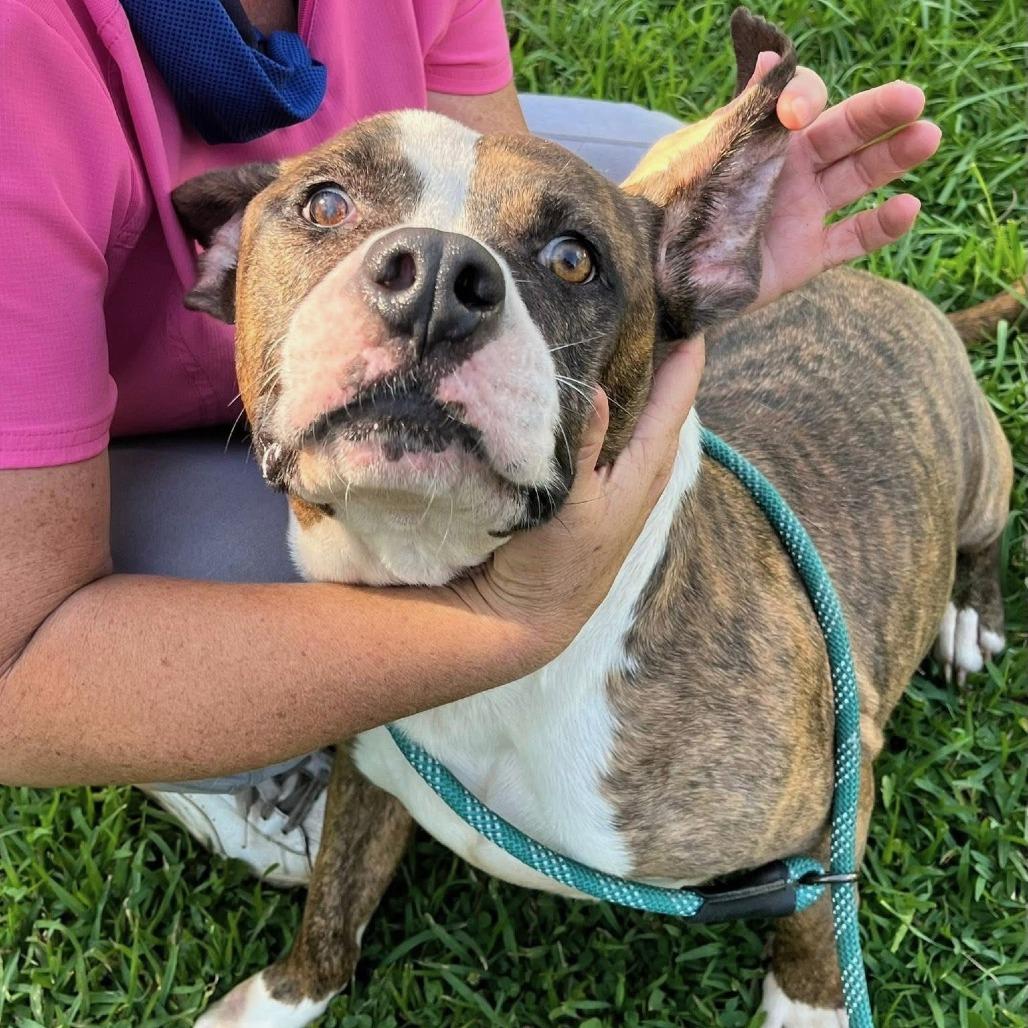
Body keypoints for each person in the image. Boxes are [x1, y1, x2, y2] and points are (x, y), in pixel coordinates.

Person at [0, 0, 941, 885]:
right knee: (225, 625)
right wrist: (513, 624)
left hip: (334, 362)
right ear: (222, 255)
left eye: (569, 261)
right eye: (326, 208)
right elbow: (16, 674)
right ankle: (238, 758)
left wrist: (651, 242)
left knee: (626, 155)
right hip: (65, 463)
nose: (436, 284)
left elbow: (498, 168)